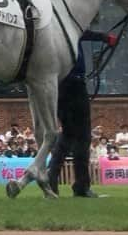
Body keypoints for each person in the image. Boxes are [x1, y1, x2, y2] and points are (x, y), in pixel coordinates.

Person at [48, 29, 117, 198]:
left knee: (67, 135)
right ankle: (81, 186)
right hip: (75, 85)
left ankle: (51, 181)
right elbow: (83, 31)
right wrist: (105, 37)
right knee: (83, 136)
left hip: (60, 87)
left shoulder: (54, 29)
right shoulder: (69, 28)